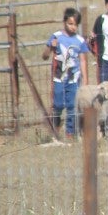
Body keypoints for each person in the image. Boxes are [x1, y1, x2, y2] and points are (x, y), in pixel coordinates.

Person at [43, 8, 90, 138]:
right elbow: (45, 56)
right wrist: (50, 47)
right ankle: (56, 126)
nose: (73, 27)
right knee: (58, 104)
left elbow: (83, 61)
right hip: (58, 77)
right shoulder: (57, 36)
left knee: (72, 106)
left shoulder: (80, 41)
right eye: (70, 24)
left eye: (75, 24)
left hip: (73, 79)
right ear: (64, 22)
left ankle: (70, 132)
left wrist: (85, 79)